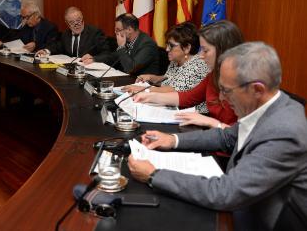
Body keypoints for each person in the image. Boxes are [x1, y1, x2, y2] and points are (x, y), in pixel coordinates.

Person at [128, 42, 307, 231]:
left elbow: (227, 192)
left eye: (227, 91)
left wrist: (154, 175)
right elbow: (227, 137)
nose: (221, 98)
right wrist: (173, 140)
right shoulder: (267, 107)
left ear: (258, 90)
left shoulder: (284, 132)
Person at [133, 20, 243, 128]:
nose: (200, 55)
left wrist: (211, 122)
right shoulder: (213, 76)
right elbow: (187, 97)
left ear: (222, 51)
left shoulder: (243, 83)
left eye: (205, 50)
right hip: (214, 134)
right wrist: (148, 96)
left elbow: (240, 135)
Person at [122, 22, 210, 113]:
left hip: (194, 114)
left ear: (187, 48)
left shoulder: (197, 65)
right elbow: (169, 79)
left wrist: (142, 89)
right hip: (173, 107)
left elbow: (173, 90)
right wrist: (152, 78)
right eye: (167, 44)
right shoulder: (176, 60)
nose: (167, 49)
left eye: (171, 46)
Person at [36, 7, 111, 62]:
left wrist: (93, 58)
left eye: (78, 20)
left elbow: (107, 54)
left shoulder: (95, 32)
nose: (76, 25)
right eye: (72, 22)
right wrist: (46, 51)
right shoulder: (66, 34)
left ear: (82, 18)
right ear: (67, 23)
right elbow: (58, 46)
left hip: (88, 70)